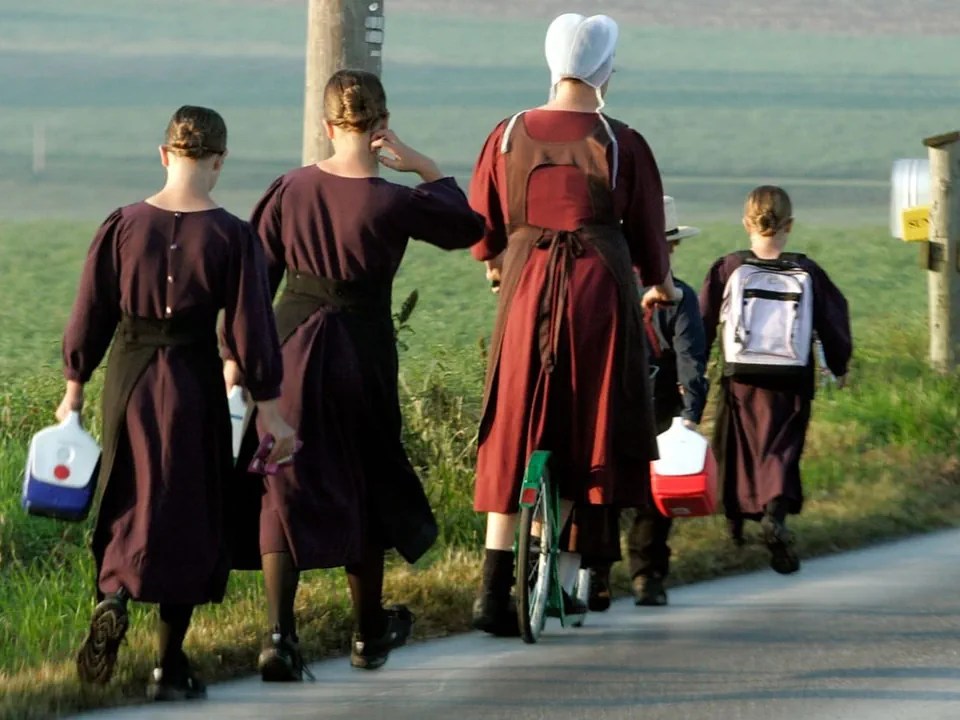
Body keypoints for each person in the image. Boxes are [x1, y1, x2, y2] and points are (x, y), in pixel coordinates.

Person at [225, 69, 484, 680]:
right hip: (361, 352)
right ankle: (368, 633)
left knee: (280, 481)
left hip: (290, 347)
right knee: (364, 481)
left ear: (326, 125)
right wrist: (423, 165)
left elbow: (253, 282)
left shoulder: (288, 189)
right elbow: (468, 228)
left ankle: (278, 637)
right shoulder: (395, 201)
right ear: (381, 126)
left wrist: (237, 355)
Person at [60, 106, 295, 701]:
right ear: (219, 161)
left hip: (129, 378)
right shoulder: (233, 236)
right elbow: (251, 329)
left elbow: (90, 312)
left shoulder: (122, 225)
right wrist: (269, 407)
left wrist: (74, 392)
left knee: (127, 491)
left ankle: (115, 592)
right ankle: (168, 668)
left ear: (164, 155)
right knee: (190, 509)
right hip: (192, 380)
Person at [468, 13, 681, 636]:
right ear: (604, 70)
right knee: (588, 424)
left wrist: (497, 263)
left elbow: (483, 227)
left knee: (515, 422)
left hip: (526, 285)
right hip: (596, 292)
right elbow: (649, 234)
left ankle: (491, 590)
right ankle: (562, 580)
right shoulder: (621, 141)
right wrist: (661, 281)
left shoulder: (507, 135)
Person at [699, 185, 852, 574]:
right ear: (790, 225)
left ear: (746, 223)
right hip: (791, 376)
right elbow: (834, 320)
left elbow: (702, 321)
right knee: (781, 448)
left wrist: (694, 367)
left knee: (737, 446)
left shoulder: (729, 267)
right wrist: (840, 366)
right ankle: (775, 515)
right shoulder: (808, 271)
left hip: (740, 375)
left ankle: (736, 525)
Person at [587, 195, 709, 610]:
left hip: (607, 399)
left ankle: (597, 575)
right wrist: (691, 413)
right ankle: (647, 576)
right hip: (659, 404)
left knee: (601, 485)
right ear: (669, 246)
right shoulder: (681, 297)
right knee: (655, 491)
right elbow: (691, 359)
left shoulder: (604, 287)